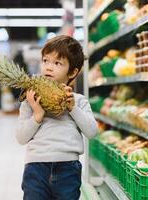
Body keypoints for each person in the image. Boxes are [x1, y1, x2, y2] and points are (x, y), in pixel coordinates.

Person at [16, 35, 98, 200]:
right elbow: (21, 137)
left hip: (68, 169)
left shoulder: (79, 101)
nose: (48, 67)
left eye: (57, 63)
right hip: (35, 169)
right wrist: (37, 115)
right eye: (45, 60)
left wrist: (73, 108)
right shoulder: (30, 101)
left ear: (73, 72)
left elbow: (92, 132)